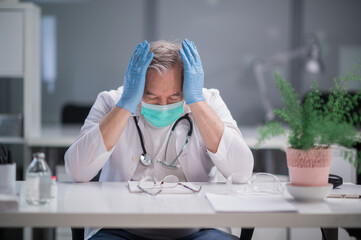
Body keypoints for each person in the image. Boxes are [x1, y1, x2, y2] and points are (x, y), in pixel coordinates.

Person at [65, 39, 254, 240]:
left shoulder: (209, 101)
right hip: (120, 228)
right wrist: (127, 103)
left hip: (200, 229)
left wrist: (196, 101)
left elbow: (241, 171)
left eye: (174, 97)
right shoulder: (111, 102)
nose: (163, 106)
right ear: (138, 87)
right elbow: (77, 170)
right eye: (152, 97)